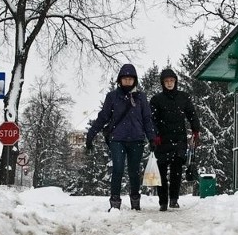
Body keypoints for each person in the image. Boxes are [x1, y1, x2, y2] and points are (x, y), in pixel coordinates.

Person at [86, 64, 156, 211]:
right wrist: (91, 134)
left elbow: (147, 119)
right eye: (125, 79)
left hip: (136, 139)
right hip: (117, 139)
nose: (127, 81)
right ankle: (115, 203)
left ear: (135, 81)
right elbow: (103, 117)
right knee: (117, 169)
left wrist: (152, 138)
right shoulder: (112, 97)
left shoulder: (141, 97)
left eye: (130, 79)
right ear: (120, 80)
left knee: (134, 172)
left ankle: (135, 201)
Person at [150, 68, 201, 211]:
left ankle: (174, 199)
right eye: (166, 81)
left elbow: (192, 114)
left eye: (172, 80)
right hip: (162, 140)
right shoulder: (156, 99)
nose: (169, 83)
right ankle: (163, 201)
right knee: (161, 171)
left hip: (179, 139)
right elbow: (151, 120)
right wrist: (155, 135)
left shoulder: (183, 97)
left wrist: (196, 130)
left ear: (176, 81)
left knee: (176, 171)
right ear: (162, 83)